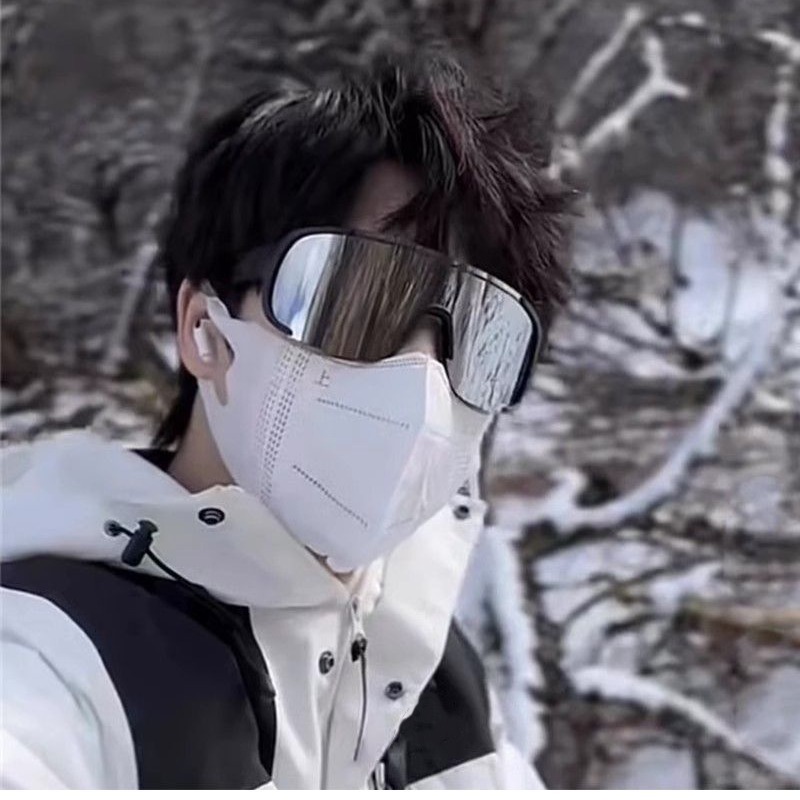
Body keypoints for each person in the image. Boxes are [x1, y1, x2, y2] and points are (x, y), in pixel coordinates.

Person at [0, 52, 572, 789]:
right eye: (359, 298)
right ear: (204, 329)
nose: (424, 378)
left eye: (484, 337)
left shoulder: (430, 674)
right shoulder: (54, 656)